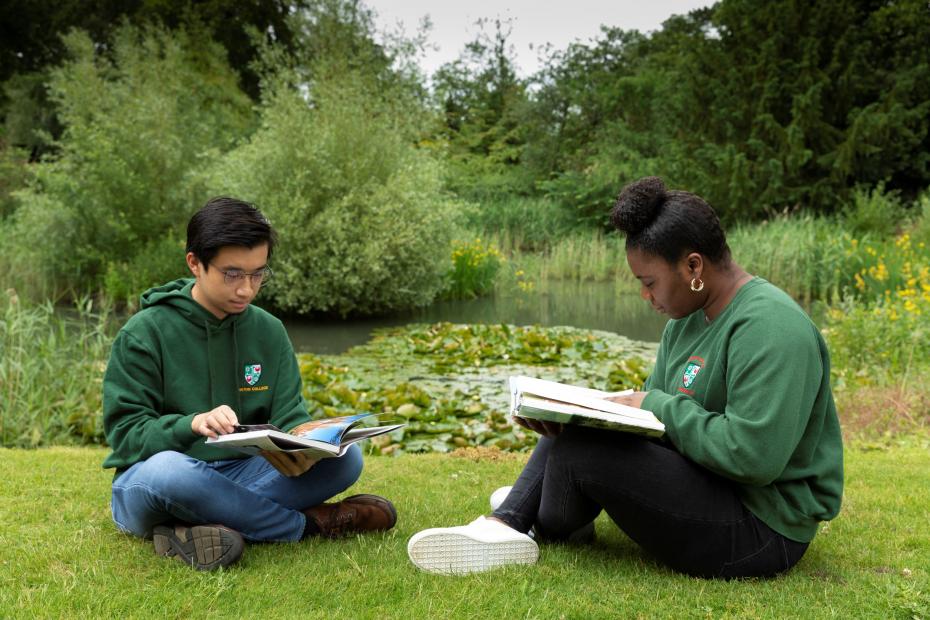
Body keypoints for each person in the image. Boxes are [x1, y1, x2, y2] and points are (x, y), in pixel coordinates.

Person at [407, 176, 843, 578]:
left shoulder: (771, 327)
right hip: (713, 487)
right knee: (575, 425)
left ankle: (522, 520)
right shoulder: (685, 321)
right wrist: (587, 414)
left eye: (649, 282)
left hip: (762, 529)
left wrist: (652, 405)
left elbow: (753, 456)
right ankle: (521, 519)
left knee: (582, 452)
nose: (645, 296)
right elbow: (660, 423)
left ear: (693, 267)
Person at [103, 197, 396, 571]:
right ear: (195, 262)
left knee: (345, 459)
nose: (246, 288)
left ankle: (195, 529)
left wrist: (309, 442)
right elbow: (126, 436)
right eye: (232, 274)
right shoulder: (144, 333)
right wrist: (190, 423)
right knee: (170, 471)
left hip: (242, 472)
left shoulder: (268, 330)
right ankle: (309, 524)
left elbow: (290, 413)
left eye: (257, 274)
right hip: (156, 484)